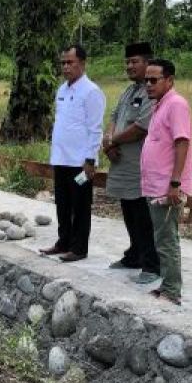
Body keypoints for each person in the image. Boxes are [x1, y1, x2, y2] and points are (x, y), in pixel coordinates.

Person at [40, 44, 105, 263]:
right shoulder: (62, 90)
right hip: (61, 158)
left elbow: (95, 129)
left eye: (70, 62)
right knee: (63, 204)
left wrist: (90, 160)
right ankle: (63, 242)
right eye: (63, 63)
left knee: (80, 206)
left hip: (80, 162)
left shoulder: (91, 92)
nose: (66, 67)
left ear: (82, 64)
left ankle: (79, 248)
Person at [102, 41, 159, 284]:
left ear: (147, 63)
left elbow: (140, 128)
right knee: (128, 210)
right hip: (121, 163)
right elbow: (115, 116)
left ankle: (151, 264)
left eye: (135, 61)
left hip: (140, 165)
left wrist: (113, 140)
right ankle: (134, 254)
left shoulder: (151, 93)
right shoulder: (129, 91)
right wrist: (109, 141)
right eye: (127, 62)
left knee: (143, 214)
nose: (129, 66)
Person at [140, 58, 192, 305]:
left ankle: (172, 290)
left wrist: (175, 183)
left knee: (166, 239)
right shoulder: (160, 105)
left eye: (154, 80)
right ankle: (167, 285)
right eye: (146, 80)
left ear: (169, 80)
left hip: (167, 187)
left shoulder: (176, 105)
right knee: (161, 237)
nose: (148, 84)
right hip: (156, 185)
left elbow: (182, 142)